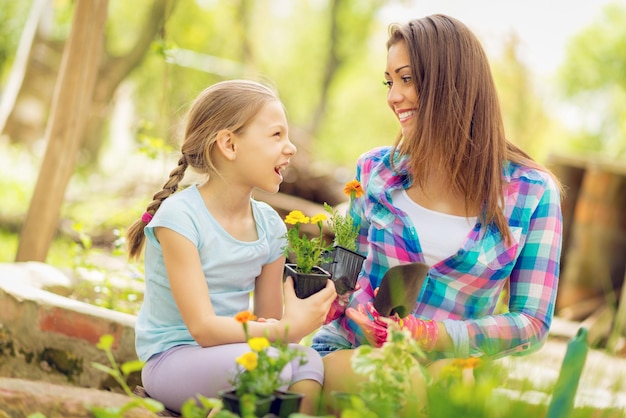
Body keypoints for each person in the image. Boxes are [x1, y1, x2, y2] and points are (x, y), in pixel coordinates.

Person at [312, 14, 563, 415]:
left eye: (406, 79)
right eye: (388, 81)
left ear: (451, 82)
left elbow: (532, 324)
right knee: (403, 379)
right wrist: (344, 305)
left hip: (452, 365)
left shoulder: (531, 193)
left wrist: (430, 335)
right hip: (352, 351)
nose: (393, 96)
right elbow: (343, 274)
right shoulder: (375, 171)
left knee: (447, 383)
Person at [126, 79, 336, 414]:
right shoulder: (180, 217)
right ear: (229, 145)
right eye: (276, 135)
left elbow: (270, 326)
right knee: (270, 366)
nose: (291, 147)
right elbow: (204, 329)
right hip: (172, 360)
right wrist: (289, 328)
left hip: (236, 355)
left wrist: (300, 317)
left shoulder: (269, 225)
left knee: (307, 362)